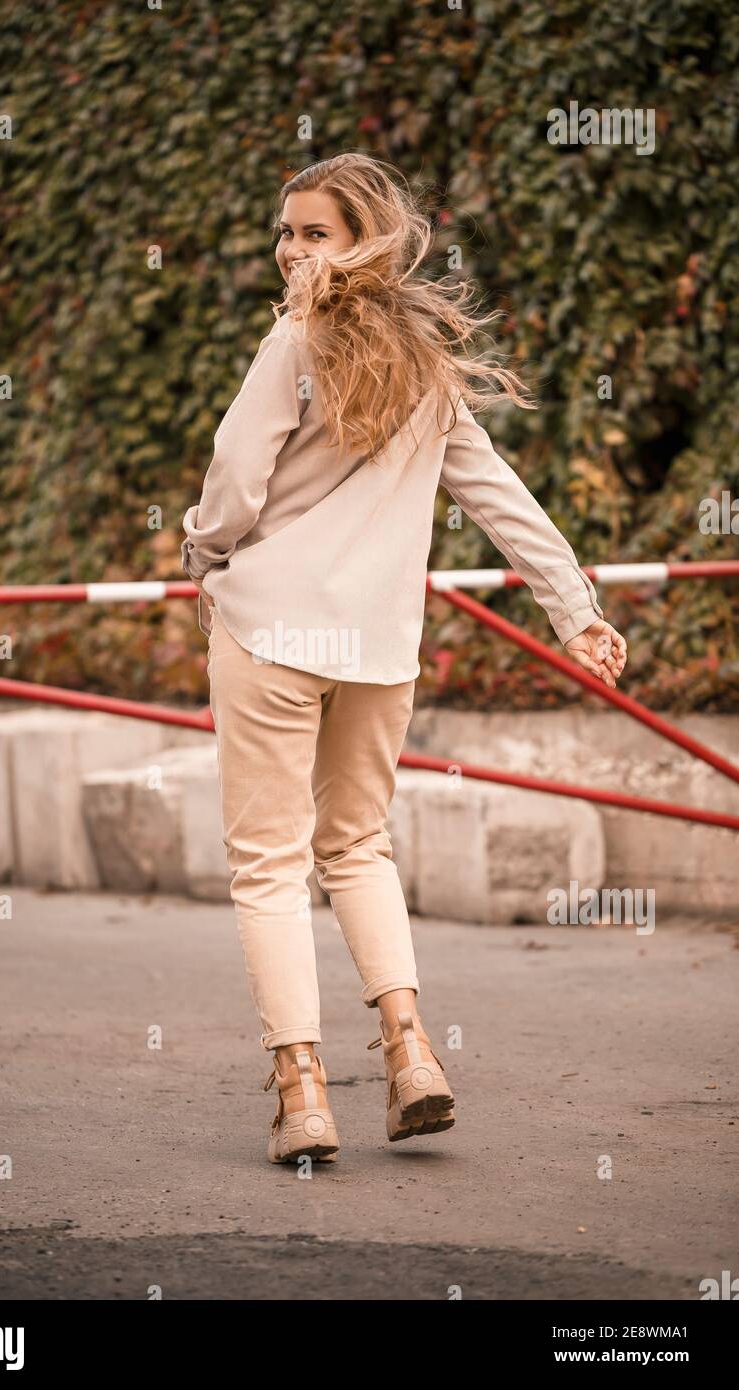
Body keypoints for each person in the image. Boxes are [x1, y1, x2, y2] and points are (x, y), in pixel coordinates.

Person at [181, 152, 627, 1165]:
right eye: (284, 231)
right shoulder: (425, 364)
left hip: (267, 630)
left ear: (363, 238)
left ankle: (301, 1094)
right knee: (357, 846)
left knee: (266, 862)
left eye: (312, 232)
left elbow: (234, 482)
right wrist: (573, 611)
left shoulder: (291, 342)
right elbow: (499, 497)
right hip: (378, 648)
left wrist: (202, 555)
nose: (289, 249)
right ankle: (409, 1051)